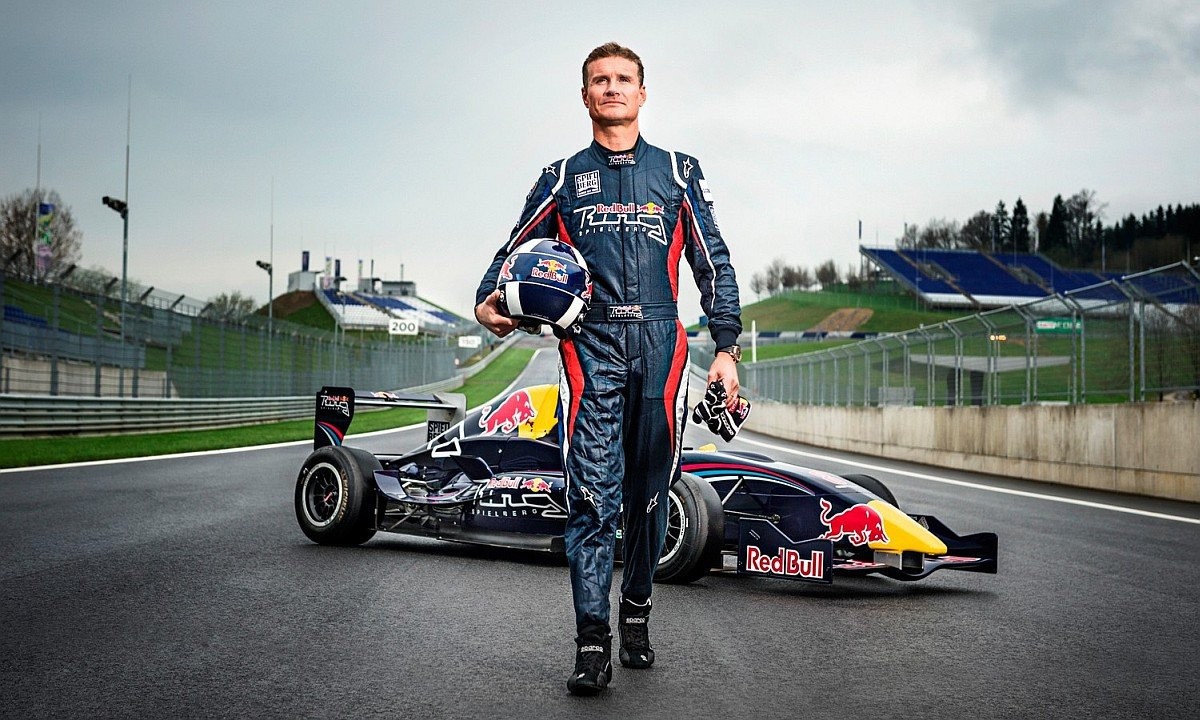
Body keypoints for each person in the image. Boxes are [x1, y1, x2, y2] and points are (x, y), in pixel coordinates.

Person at [474, 42, 742, 696]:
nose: (612, 88)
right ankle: (592, 642)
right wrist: (488, 301)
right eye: (600, 80)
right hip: (588, 345)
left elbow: (714, 262)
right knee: (593, 498)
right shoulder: (562, 177)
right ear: (585, 96)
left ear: (642, 93)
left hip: (661, 344)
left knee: (649, 497)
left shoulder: (677, 172)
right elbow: (511, 253)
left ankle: (637, 610)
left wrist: (726, 347)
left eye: (624, 79)